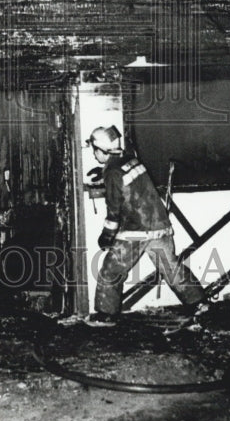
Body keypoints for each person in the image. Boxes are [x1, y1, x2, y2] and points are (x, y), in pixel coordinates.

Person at [88, 124, 206, 324]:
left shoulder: (112, 172)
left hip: (137, 229)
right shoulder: (130, 159)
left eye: (94, 151)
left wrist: (106, 236)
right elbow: (130, 182)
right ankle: (199, 303)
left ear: (101, 150)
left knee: (111, 270)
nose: (94, 155)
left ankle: (106, 315)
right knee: (171, 268)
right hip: (160, 225)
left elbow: (114, 210)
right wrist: (104, 173)